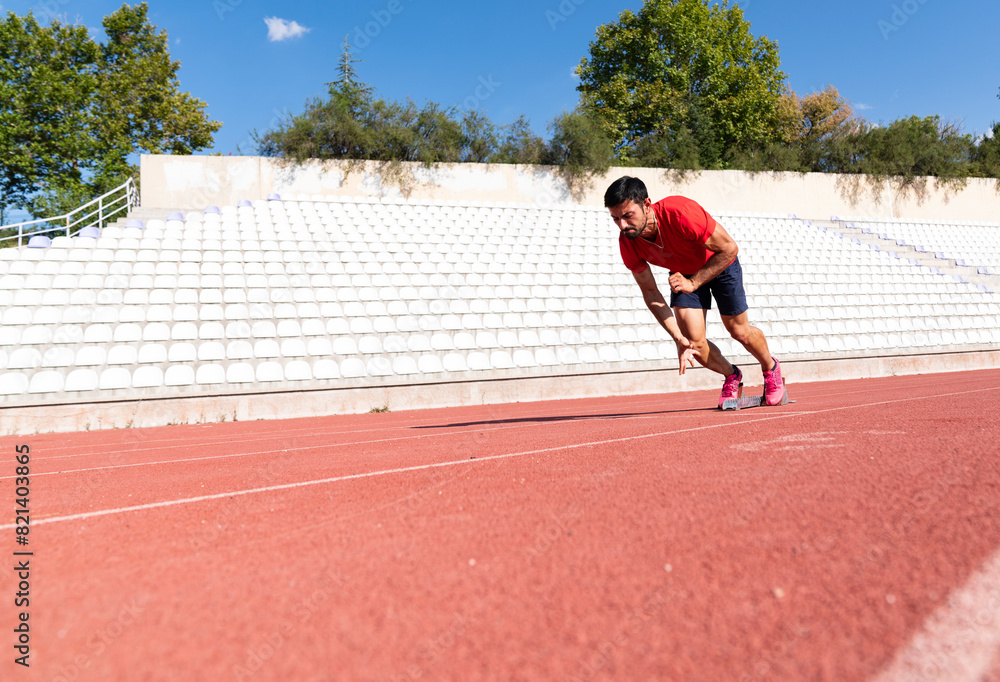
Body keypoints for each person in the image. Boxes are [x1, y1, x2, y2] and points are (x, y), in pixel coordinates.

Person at [604, 176, 784, 408]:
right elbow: (650, 293)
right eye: (615, 219)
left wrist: (695, 282)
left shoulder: (680, 212)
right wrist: (678, 338)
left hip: (720, 264)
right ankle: (732, 376)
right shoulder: (628, 241)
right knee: (693, 344)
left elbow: (729, 248)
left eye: (628, 216)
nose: (622, 225)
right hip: (684, 274)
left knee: (739, 331)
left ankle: (770, 368)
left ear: (647, 205)